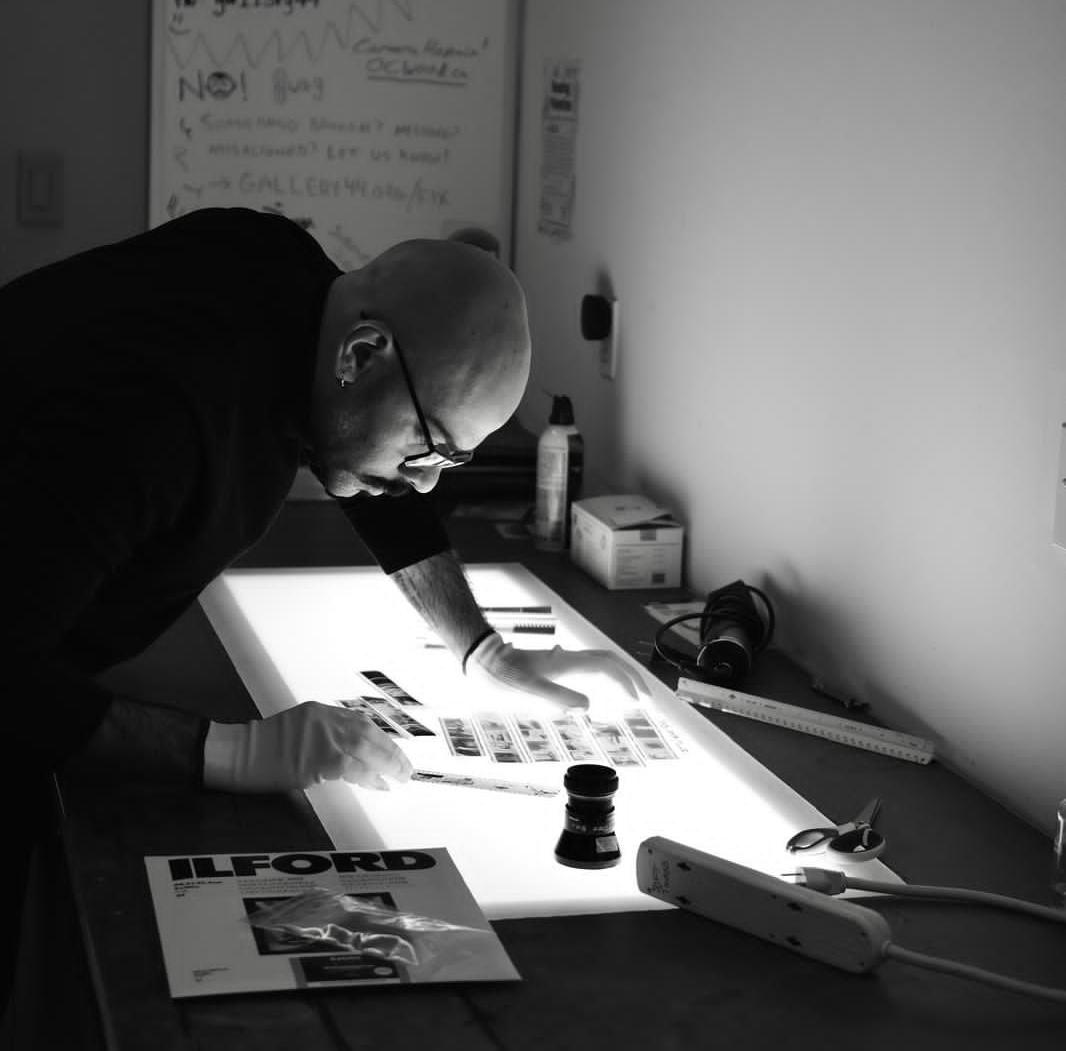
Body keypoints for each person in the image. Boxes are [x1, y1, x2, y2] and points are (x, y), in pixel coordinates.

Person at [1, 208, 646, 999]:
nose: (427, 482)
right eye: (431, 448)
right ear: (362, 352)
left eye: (453, 462)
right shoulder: (157, 412)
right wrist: (231, 754)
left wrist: (482, 648)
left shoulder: (291, 279)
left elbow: (362, 452)